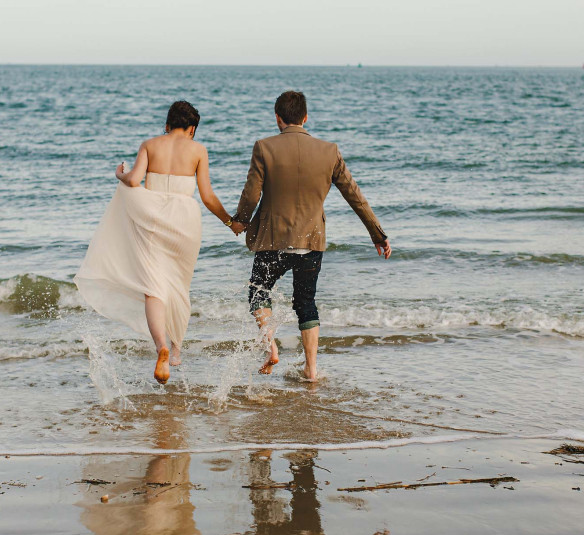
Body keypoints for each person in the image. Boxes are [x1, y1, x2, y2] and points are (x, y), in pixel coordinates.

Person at [232, 91, 392, 382]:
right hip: (311, 240)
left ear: (278, 118)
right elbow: (354, 195)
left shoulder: (264, 148)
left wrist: (240, 221)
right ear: (305, 118)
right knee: (305, 303)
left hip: (271, 241)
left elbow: (251, 193)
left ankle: (271, 348)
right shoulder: (329, 151)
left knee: (258, 293)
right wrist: (377, 234)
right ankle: (311, 370)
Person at [75, 101, 238, 384]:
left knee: (154, 288)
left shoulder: (150, 144)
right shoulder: (198, 150)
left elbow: (134, 181)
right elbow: (208, 196)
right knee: (179, 284)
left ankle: (160, 345)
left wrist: (120, 174)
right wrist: (230, 222)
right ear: (192, 129)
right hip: (184, 220)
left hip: (151, 217)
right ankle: (175, 350)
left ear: (166, 124)